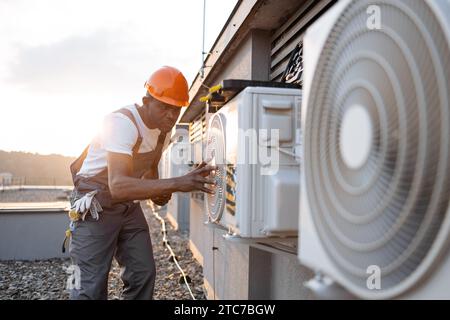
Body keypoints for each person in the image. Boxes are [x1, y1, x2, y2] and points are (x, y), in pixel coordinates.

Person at [66, 66, 216, 300]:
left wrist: (158, 192)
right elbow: (118, 185)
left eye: (175, 110)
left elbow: (150, 168)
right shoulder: (122, 123)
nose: (170, 115)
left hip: (126, 206)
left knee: (142, 273)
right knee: (89, 285)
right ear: (146, 101)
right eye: (163, 107)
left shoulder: (163, 131)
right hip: (95, 204)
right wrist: (177, 183)